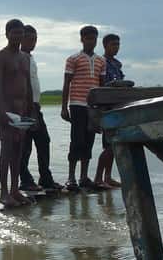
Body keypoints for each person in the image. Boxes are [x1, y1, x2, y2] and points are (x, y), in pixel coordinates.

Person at [0, 19, 33, 207]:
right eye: (14, 33)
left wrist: (32, 110)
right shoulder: (0, 56)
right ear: (7, 34)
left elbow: (29, 85)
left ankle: (15, 189)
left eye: (21, 33)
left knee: (19, 152)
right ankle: (4, 192)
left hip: (23, 110)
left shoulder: (25, 57)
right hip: (7, 111)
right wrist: (1, 111)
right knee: (6, 150)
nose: (18, 36)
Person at [61, 25, 105, 192]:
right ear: (82, 39)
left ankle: (84, 176)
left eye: (93, 38)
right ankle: (71, 177)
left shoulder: (101, 61)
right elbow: (66, 83)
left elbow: (101, 87)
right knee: (76, 140)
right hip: (77, 105)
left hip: (93, 107)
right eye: (87, 38)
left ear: (96, 40)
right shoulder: (73, 59)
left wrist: (101, 109)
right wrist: (64, 107)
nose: (91, 41)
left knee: (89, 141)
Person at [18, 26, 62, 193]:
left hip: (35, 106)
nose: (33, 42)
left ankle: (45, 178)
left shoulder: (31, 58)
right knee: (26, 145)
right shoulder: (20, 58)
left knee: (43, 141)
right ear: (22, 39)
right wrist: (29, 108)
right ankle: (26, 180)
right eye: (29, 38)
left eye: (35, 39)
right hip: (25, 107)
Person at [93, 33, 123, 189]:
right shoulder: (101, 62)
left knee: (114, 145)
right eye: (113, 44)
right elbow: (101, 84)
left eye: (118, 44)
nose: (116, 47)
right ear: (105, 45)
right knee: (109, 145)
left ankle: (108, 176)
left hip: (117, 107)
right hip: (106, 109)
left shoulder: (117, 64)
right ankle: (98, 177)